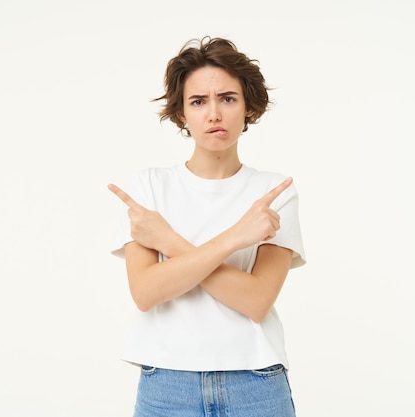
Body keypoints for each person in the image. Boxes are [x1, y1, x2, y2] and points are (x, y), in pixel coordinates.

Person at [108, 36, 306, 417]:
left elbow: (256, 301)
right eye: (198, 102)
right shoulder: (149, 187)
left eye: (228, 98)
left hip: (255, 383)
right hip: (167, 384)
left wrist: (168, 241)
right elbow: (147, 292)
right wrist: (236, 237)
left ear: (248, 106)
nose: (214, 114)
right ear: (182, 113)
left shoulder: (273, 192)